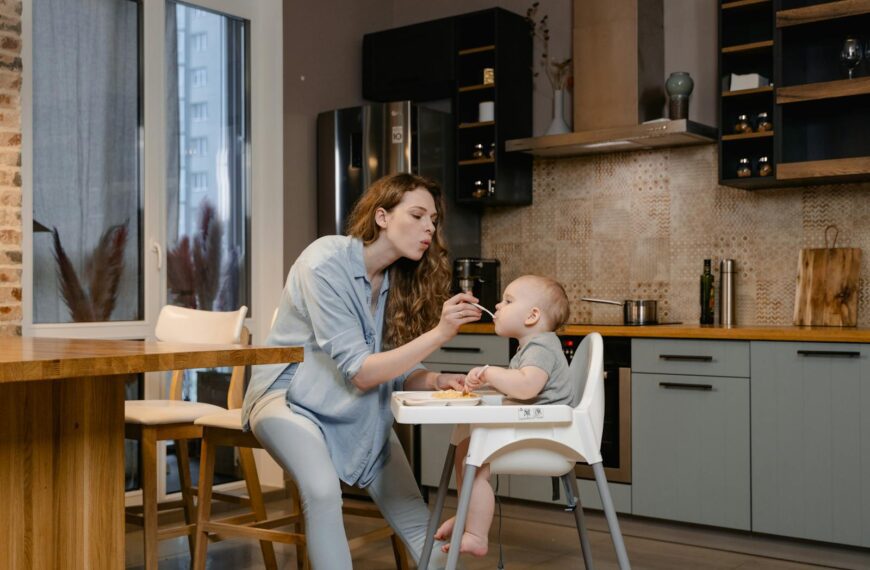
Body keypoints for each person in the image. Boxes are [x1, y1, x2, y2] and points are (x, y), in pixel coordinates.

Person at [241, 173, 483, 569]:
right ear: (382, 216)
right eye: (418, 215)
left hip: (356, 406)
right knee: (321, 492)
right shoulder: (324, 261)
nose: (429, 228)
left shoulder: (397, 280)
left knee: (417, 520)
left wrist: (437, 380)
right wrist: (441, 332)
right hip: (286, 399)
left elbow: (396, 366)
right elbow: (363, 372)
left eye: (434, 220)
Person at [434, 274, 575, 557]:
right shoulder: (531, 348)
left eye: (508, 301)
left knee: (475, 457)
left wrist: (490, 373)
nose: (497, 306)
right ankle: (468, 516)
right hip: (536, 428)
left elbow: (526, 386)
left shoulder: (541, 346)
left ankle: (475, 533)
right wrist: (488, 382)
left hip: (544, 436)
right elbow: (521, 382)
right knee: (466, 448)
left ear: (533, 316)